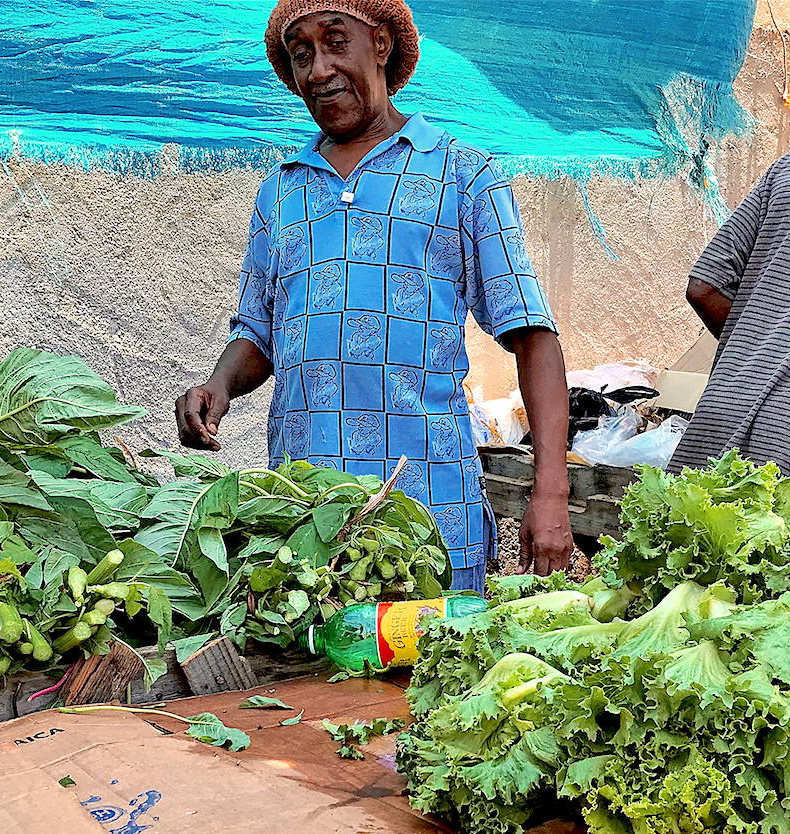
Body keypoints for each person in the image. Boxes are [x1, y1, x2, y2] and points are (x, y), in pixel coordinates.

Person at [174, 0, 573, 590]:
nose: (317, 70)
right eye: (301, 54)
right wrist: (219, 384)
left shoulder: (463, 175)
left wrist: (551, 490)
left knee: (433, 672)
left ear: (382, 44)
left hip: (429, 515)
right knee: (310, 675)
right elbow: (257, 331)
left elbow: (532, 336)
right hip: (305, 519)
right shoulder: (281, 190)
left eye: (336, 43)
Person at [668, 153, 790, 474]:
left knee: (689, 521)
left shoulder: (784, 170)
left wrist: (752, 353)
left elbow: (704, 287)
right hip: (783, 441)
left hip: (720, 410)